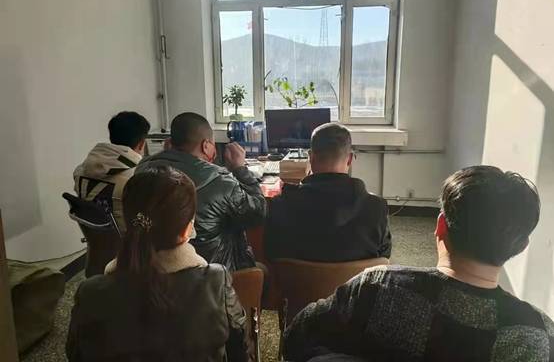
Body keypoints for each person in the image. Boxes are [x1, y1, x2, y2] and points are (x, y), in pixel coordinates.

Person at [284, 166, 554, 362]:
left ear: (440, 226)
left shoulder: (377, 287)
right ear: (521, 246)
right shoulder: (541, 335)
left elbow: (297, 335)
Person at [66, 165, 250, 362]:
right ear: (187, 230)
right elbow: (240, 352)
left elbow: (76, 355)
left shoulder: (89, 293)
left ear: (128, 221)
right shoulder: (216, 282)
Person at [137, 112, 266, 271]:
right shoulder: (220, 182)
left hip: (151, 270)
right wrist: (240, 169)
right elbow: (258, 213)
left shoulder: (141, 170)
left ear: (169, 143)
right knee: (261, 271)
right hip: (212, 272)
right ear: (206, 146)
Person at [265, 123, 391, 262]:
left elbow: (270, 252)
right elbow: (383, 256)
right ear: (350, 159)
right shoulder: (377, 207)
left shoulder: (280, 205)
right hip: (358, 277)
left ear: (311, 158)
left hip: (295, 277)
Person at [73, 111, 150, 232]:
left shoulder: (80, 171)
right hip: (130, 240)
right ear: (141, 144)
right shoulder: (137, 178)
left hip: (97, 239)